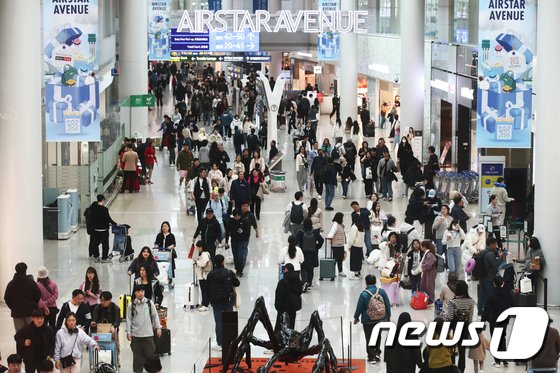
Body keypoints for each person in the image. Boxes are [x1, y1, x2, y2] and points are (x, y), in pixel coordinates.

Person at [353, 275, 391, 364]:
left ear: (366, 282)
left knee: (369, 337)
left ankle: (371, 357)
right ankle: (377, 352)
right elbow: (387, 304)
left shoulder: (364, 294)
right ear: (375, 282)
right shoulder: (382, 292)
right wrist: (388, 316)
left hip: (368, 320)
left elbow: (359, 307)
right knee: (378, 336)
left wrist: (356, 317)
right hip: (381, 318)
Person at [207, 254, 240, 352]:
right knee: (229, 322)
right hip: (228, 300)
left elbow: (207, 289)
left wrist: (210, 300)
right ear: (222, 262)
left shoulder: (210, 274)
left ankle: (220, 343)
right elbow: (237, 283)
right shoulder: (229, 273)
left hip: (216, 302)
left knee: (218, 322)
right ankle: (230, 342)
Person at [126, 285, 162, 373]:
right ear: (135, 293)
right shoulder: (131, 305)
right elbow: (128, 319)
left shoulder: (149, 303)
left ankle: (152, 371)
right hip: (136, 335)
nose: (140, 293)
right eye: (138, 291)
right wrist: (128, 332)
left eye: (142, 291)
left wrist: (158, 328)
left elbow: (155, 316)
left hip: (148, 335)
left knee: (150, 357)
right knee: (137, 358)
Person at [481, 275, 514, 368]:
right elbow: (514, 305)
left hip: (494, 320)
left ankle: (497, 361)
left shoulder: (490, 294)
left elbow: (486, 309)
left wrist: (483, 321)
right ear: (503, 283)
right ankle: (504, 359)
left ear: (494, 284)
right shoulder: (508, 294)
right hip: (504, 320)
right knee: (502, 337)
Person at [443, 280, 475, 372]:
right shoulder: (471, 301)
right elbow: (470, 318)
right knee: (462, 351)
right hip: (464, 329)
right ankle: (461, 369)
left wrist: (443, 315)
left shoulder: (453, 301)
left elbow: (450, 317)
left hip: (453, 328)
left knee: (452, 350)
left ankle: (452, 367)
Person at [4, 262, 41, 333]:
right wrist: (33, 304)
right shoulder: (31, 283)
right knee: (32, 333)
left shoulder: (11, 284)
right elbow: (38, 295)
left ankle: (21, 344)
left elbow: (6, 298)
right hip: (30, 312)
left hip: (17, 313)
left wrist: (13, 307)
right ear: (25, 270)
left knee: (20, 334)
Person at [297, 218, 324, 292]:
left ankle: (304, 282)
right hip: (313, 253)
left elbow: (296, 241)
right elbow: (321, 240)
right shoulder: (315, 232)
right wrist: (317, 247)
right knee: (310, 269)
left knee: (303, 268)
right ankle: (309, 283)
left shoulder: (301, 232)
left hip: (303, 253)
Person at [89, 194, 118, 262]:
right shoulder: (105, 209)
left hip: (96, 230)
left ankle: (96, 256)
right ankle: (104, 258)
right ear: (103, 200)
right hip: (104, 230)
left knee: (95, 244)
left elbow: (91, 219)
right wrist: (115, 224)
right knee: (105, 245)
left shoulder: (93, 209)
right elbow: (108, 219)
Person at [274, 263, 303, 331]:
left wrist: (278, 307)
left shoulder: (282, 282)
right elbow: (299, 292)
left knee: (280, 329)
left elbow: (279, 296)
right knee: (290, 327)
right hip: (293, 308)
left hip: (283, 309)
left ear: (286, 269)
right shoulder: (299, 281)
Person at [477, 237, 501, 316]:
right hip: (488, 277)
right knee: (490, 294)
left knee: (482, 294)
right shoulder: (490, 254)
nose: (496, 245)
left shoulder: (483, 252)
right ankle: (490, 310)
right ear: (491, 244)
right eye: (495, 244)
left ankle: (480, 310)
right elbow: (495, 265)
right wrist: (500, 257)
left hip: (482, 276)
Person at [154, 221, 177, 285]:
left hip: (169, 254)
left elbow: (174, 244)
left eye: (166, 226)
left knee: (169, 266)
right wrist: (156, 246)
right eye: (163, 226)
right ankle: (161, 278)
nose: (164, 227)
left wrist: (171, 246)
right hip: (160, 255)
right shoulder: (159, 235)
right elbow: (156, 243)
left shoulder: (171, 235)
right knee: (161, 266)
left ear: (169, 227)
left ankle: (170, 278)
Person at [326, 212, 346, 277]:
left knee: (340, 258)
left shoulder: (340, 225)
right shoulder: (335, 224)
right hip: (336, 245)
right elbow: (332, 233)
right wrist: (329, 237)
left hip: (341, 244)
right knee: (335, 259)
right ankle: (331, 271)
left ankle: (340, 271)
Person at [194, 241, 213, 312]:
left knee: (204, 290)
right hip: (204, 275)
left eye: (198, 247)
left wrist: (197, 261)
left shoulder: (204, 254)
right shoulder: (206, 253)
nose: (198, 249)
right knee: (205, 290)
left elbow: (203, 264)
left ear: (201, 247)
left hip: (203, 275)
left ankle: (205, 305)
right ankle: (204, 302)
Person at [347, 214, 365, 280]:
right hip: (360, 246)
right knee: (358, 260)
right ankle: (358, 273)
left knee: (354, 260)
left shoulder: (354, 227)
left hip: (354, 246)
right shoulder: (361, 227)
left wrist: (349, 245)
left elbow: (352, 238)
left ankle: (356, 275)